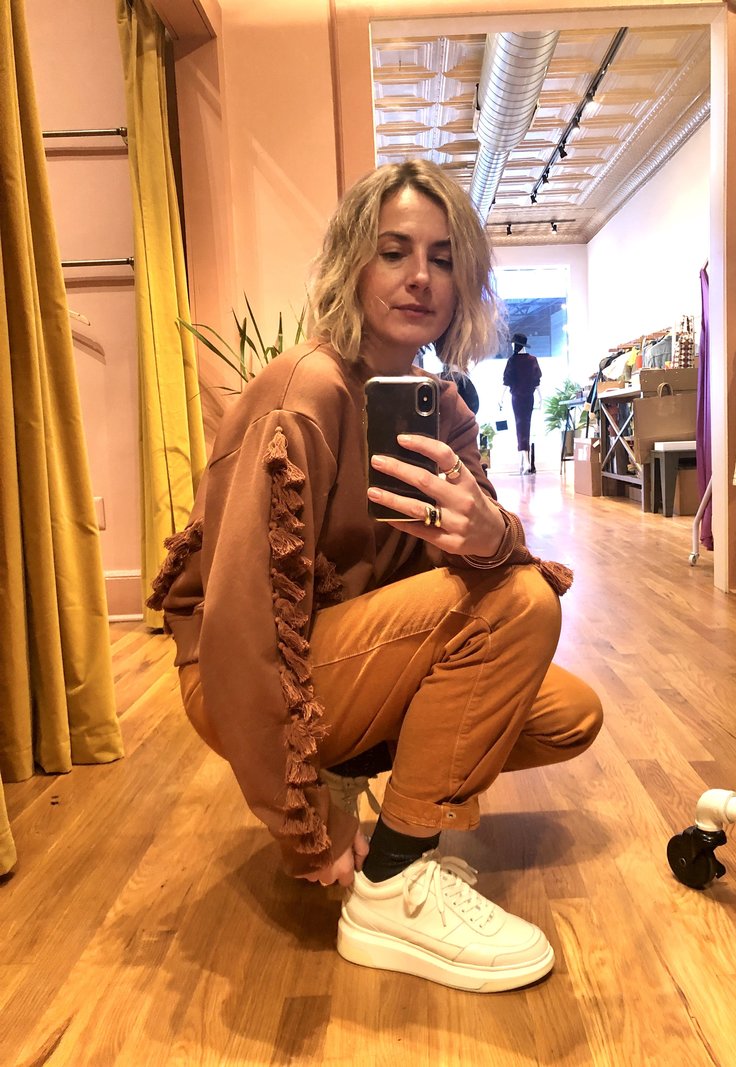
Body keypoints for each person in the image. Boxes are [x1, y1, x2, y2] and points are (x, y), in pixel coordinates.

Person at [148, 160, 602, 994]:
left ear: (463, 283)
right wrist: (308, 825)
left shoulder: (440, 403)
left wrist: (488, 531)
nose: (419, 277)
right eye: (394, 251)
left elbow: (498, 559)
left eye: (442, 258)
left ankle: (390, 825)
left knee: (568, 713)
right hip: (246, 676)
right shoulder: (305, 390)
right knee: (522, 605)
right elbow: (243, 627)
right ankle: (392, 886)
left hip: (351, 655)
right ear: (352, 262)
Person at [501, 332, 542, 474]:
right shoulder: (532, 360)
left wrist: (500, 398)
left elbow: (506, 381)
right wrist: (541, 397)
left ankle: (526, 462)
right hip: (529, 398)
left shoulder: (513, 361)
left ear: (516, 344)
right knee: (526, 425)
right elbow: (536, 381)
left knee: (520, 426)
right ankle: (524, 460)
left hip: (517, 398)